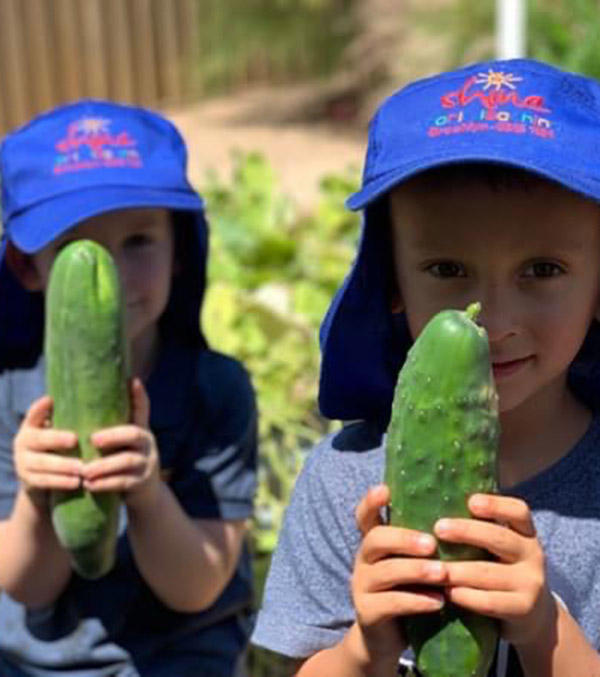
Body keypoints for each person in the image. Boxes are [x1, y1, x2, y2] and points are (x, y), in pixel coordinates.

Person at [251, 57, 600, 676]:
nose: (494, 317)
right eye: (447, 270)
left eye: (542, 270)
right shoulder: (344, 482)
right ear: (391, 285)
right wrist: (365, 650)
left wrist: (546, 635)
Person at [0, 100, 258, 676]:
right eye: (75, 247)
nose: (110, 272)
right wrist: (37, 500)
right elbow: (26, 585)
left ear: (180, 253)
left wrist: (147, 492)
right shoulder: (8, 396)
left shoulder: (215, 390)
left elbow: (198, 586)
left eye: (138, 240)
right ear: (26, 268)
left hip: (182, 656)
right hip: (42, 664)